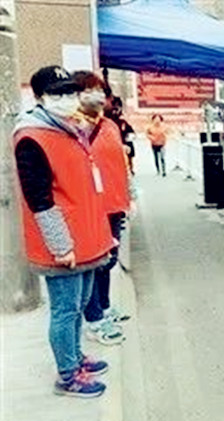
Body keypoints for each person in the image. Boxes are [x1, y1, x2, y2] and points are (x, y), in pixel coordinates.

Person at [14, 66, 114, 397]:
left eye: (70, 91)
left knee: (80, 302)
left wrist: (101, 235)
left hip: (85, 238)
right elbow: (39, 199)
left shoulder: (69, 129)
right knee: (65, 309)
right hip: (64, 243)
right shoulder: (32, 138)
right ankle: (68, 375)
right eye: (58, 93)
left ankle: (75, 356)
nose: (68, 98)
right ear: (40, 97)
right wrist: (60, 245)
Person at [73, 70, 132, 346]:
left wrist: (127, 197)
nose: (98, 96)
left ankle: (105, 307)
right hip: (91, 208)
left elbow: (118, 164)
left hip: (114, 205)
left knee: (108, 262)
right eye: (89, 90)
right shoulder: (72, 127)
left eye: (101, 91)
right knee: (94, 264)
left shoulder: (109, 125)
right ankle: (94, 320)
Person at [105, 96, 136, 176]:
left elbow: (131, 132)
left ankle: (130, 169)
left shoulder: (122, 122)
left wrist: (129, 138)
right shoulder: (105, 123)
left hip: (124, 143)